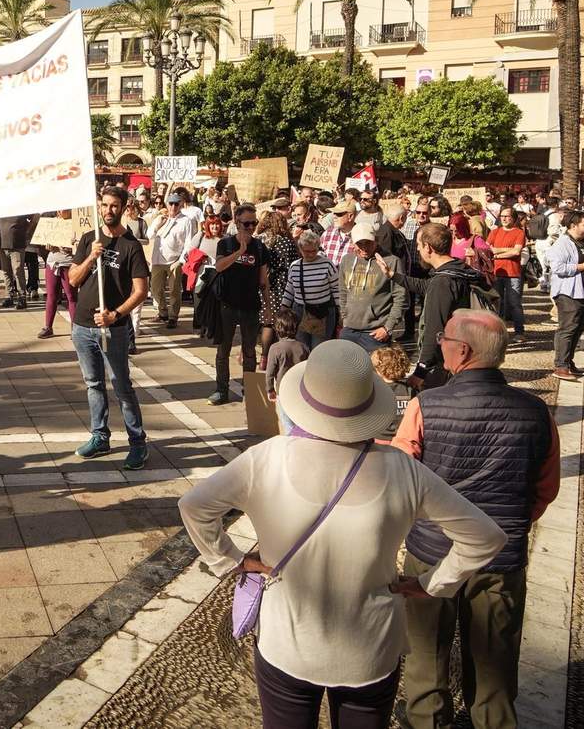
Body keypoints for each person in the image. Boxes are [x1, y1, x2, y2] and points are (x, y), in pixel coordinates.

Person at [177, 341, 506, 729]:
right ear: (367, 405)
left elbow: (194, 507)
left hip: (288, 643)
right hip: (371, 647)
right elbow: (485, 536)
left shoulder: (266, 458)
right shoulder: (403, 471)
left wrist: (233, 560)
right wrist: (433, 583)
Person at [393, 311, 559, 729]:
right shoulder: (537, 412)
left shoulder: (424, 405)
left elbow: (400, 478)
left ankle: (426, 718)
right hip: (500, 559)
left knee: (426, 651)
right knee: (494, 659)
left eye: (442, 338)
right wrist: (509, 524)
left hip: (432, 550)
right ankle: (492, 720)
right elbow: (545, 488)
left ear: (461, 351)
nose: (439, 344)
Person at [70, 186, 151, 470]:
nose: (108, 210)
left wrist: (116, 314)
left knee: (121, 386)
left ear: (124, 208)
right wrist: (91, 257)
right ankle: (100, 436)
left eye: (114, 206)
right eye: (104, 205)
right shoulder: (88, 239)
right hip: (81, 326)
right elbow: (73, 279)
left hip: (113, 329)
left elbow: (141, 291)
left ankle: (138, 443)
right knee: (93, 384)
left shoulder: (131, 246)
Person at [377, 223, 487, 390]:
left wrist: (420, 372)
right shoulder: (457, 269)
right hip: (464, 352)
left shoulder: (443, 282)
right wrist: (392, 275)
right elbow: (425, 286)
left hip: (445, 362)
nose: (418, 250)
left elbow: (434, 331)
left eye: (419, 246)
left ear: (428, 247)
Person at [210, 203, 272, 405]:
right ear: (237, 223)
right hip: (227, 305)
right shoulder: (225, 244)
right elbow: (219, 267)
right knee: (223, 350)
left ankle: (250, 390)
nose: (250, 227)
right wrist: (239, 252)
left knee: (249, 352)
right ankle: (221, 390)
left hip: (250, 306)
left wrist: (268, 308)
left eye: (254, 223)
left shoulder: (260, 247)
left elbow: (263, 279)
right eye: (246, 224)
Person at [546, 211, 584, 381]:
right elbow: (558, 268)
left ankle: (568, 362)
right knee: (567, 329)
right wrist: (582, 267)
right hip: (569, 294)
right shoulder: (562, 244)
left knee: (578, 329)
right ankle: (560, 366)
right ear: (573, 225)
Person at [336, 224, 406, 354]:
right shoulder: (347, 260)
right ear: (352, 242)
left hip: (375, 333)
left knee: (378, 373)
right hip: (349, 330)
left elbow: (401, 298)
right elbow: (342, 292)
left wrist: (388, 328)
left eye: (368, 242)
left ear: (377, 240)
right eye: (359, 243)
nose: (364, 248)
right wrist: (345, 317)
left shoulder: (391, 262)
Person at [282, 229, 341, 350]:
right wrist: (283, 309)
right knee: (302, 348)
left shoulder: (327, 265)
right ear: (300, 250)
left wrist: (341, 311)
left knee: (318, 349)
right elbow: (289, 289)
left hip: (322, 312)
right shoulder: (295, 266)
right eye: (307, 251)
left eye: (314, 251)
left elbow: (337, 290)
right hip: (300, 312)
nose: (311, 254)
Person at [148, 193, 195, 330]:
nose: (173, 206)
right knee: (155, 288)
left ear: (180, 205)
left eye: (176, 204)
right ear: (167, 204)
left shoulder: (186, 220)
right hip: (158, 259)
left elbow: (189, 242)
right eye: (171, 203)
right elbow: (149, 235)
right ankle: (163, 312)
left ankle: (173, 316)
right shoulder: (160, 218)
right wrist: (159, 224)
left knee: (174, 289)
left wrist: (181, 260)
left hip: (175, 259)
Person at [258, 210, 300, 352]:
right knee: (280, 321)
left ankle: (263, 356)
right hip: (281, 285)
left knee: (266, 323)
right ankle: (277, 354)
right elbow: (292, 265)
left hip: (263, 284)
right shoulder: (286, 242)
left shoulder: (258, 240)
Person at [487, 207, 527, 341]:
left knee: (514, 303)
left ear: (514, 218)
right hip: (496, 272)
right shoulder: (495, 232)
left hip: (512, 273)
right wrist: (507, 250)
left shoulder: (519, 233)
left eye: (507, 216)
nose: (503, 218)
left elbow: (516, 252)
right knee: (496, 303)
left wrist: (497, 253)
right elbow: (487, 249)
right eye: (502, 216)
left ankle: (519, 332)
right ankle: (497, 332)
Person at [38, 209, 79, 340]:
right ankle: (48, 326)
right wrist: (48, 244)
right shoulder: (53, 223)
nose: (59, 213)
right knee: (51, 295)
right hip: (52, 262)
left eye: (63, 210)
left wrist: (71, 247)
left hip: (68, 264)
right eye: (58, 210)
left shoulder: (76, 225)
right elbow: (44, 240)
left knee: (71, 296)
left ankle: (75, 329)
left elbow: (81, 245)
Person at [264, 307, 308, 401]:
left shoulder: (275, 348)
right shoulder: (303, 347)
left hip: (282, 390)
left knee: (284, 415)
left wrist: (270, 389)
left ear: (277, 328)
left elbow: (270, 373)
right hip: (299, 391)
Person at [320, 200, 358, 265]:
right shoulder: (327, 234)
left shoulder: (360, 236)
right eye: (334, 213)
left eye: (339, 214)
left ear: (350, 216)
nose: (334, 217)